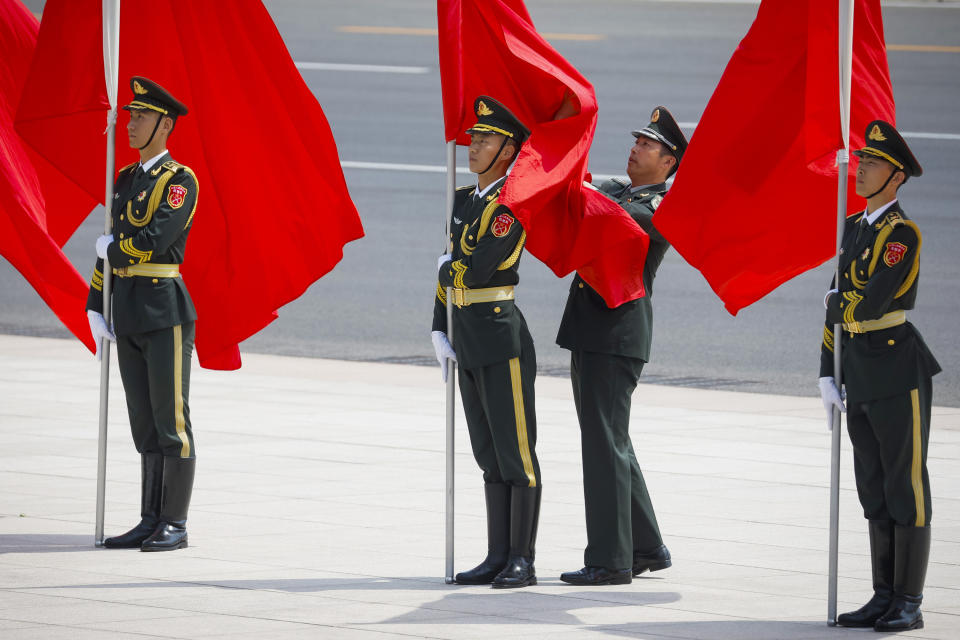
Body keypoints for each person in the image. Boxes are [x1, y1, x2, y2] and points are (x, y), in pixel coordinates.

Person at [555, 106, 687, 586]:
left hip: (616, 336)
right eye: (636, 141)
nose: (635, 148)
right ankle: (646, 546)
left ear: (669, 163)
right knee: (612, 440)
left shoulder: (656, 210)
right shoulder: (620, 190)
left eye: (648, 145)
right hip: (593, 333)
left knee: (603, 445)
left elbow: (608, 215)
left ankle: (611, 560)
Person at [820, 120, 940, 631]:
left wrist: (835, 306)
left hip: (896, 367)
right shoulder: (852, 226)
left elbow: (870, 302)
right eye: (861, 160)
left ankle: (908, 601)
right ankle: (883, 595)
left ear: (896, 178)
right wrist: (827, 371)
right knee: (872, 485)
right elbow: (834, 310)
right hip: (859, 371)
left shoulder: (901, 234)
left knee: (905, 485)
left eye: (872, 164)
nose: (861, 168)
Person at [431, 96, 540, 588]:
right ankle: (497, 554)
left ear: (508, 149)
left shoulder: (510, 205)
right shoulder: (461, 200)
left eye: (485, 139)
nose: (473, 145)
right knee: (487, 452)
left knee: (516, 450)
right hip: (466, 334)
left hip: (500, 335)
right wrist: (438, 323)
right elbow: (447, 270)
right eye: (473, 137)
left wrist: (444, 271)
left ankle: (522, 558)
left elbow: (474, 268)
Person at [86, 76, 199, 552]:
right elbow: (108, 243)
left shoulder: (179, 180)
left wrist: (112, 252)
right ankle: (149, 518)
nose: (130, 124)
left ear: (164, 124)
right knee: (143, 424)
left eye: (141, 117)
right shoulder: (127, 178)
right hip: (127, 308)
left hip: (163, 308)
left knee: (171, 422)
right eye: (130, 116)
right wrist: (96, 302)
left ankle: (175, 522)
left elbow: (151, 240)